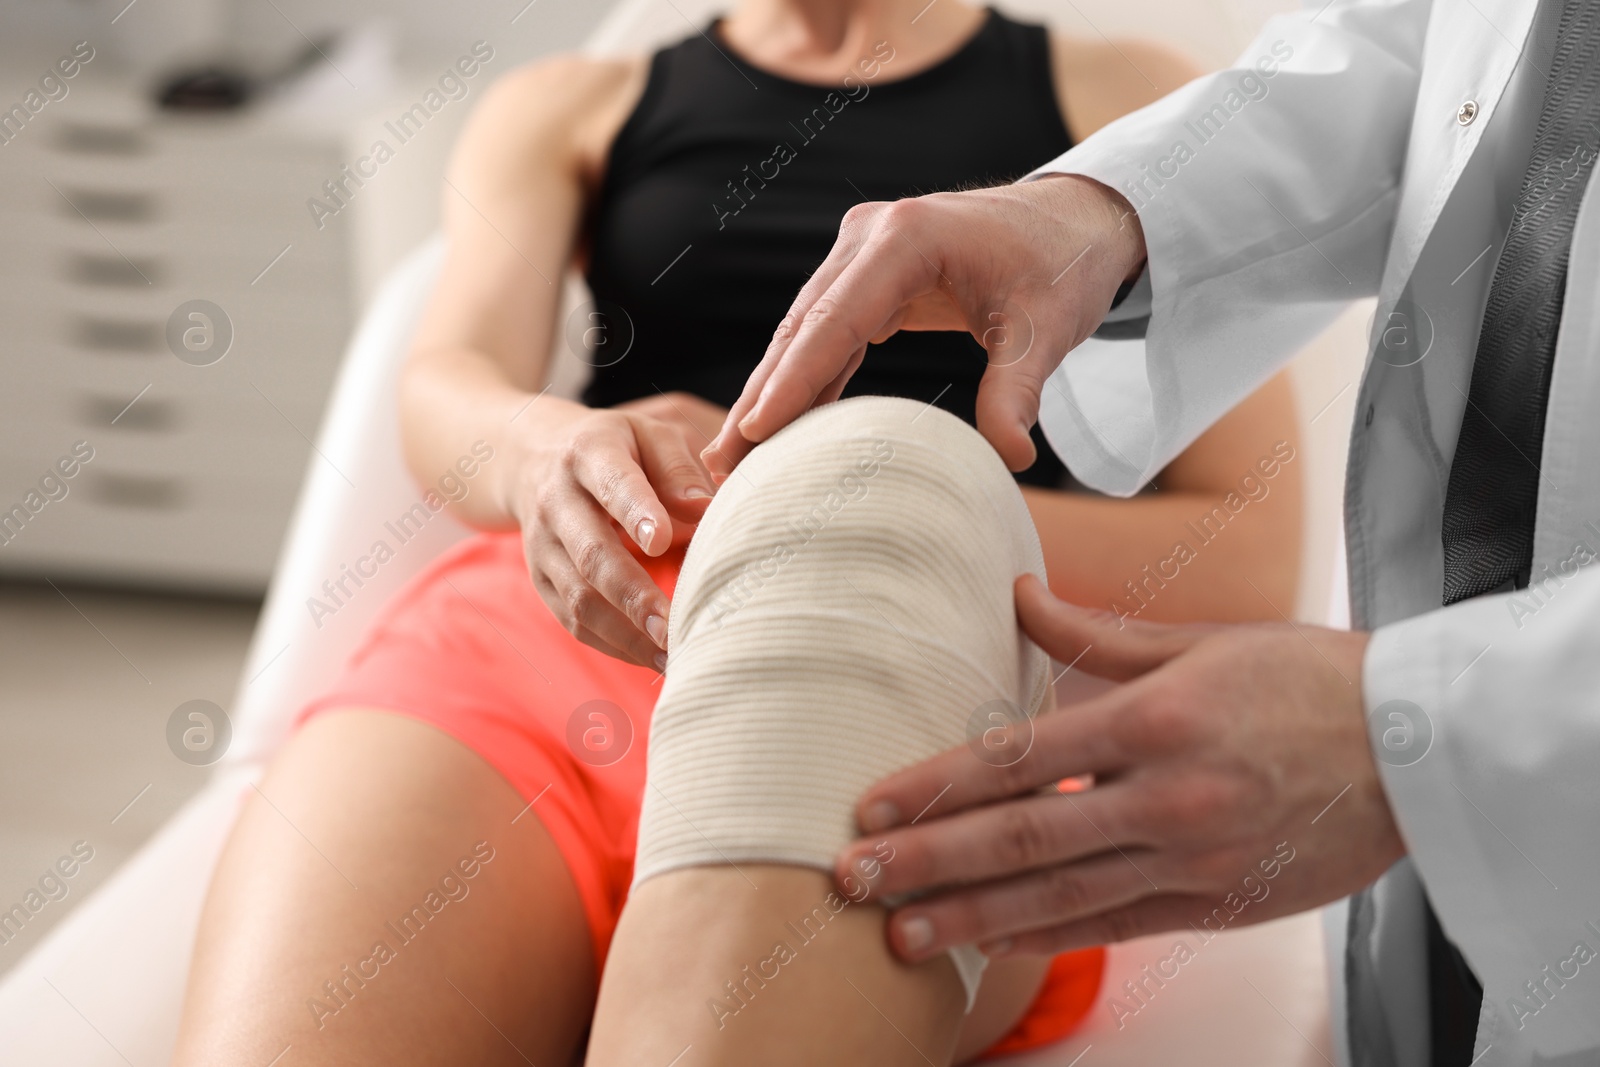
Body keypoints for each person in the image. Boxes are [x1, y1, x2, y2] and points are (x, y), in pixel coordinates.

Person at [170, 2, 1305, 1064]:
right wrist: (541, 447)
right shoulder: (574, 105)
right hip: (547, 643)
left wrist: (836, 490)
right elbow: (444, 381)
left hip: (905, 672)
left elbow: (1246, 552)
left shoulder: (1121, 98)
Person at [706, 0, 1600, 1063]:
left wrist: (1443, 729)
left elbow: (1240, 559)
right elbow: (1458, 50)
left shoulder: (1088, 67)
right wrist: (1101, 212)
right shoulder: (581, 105)